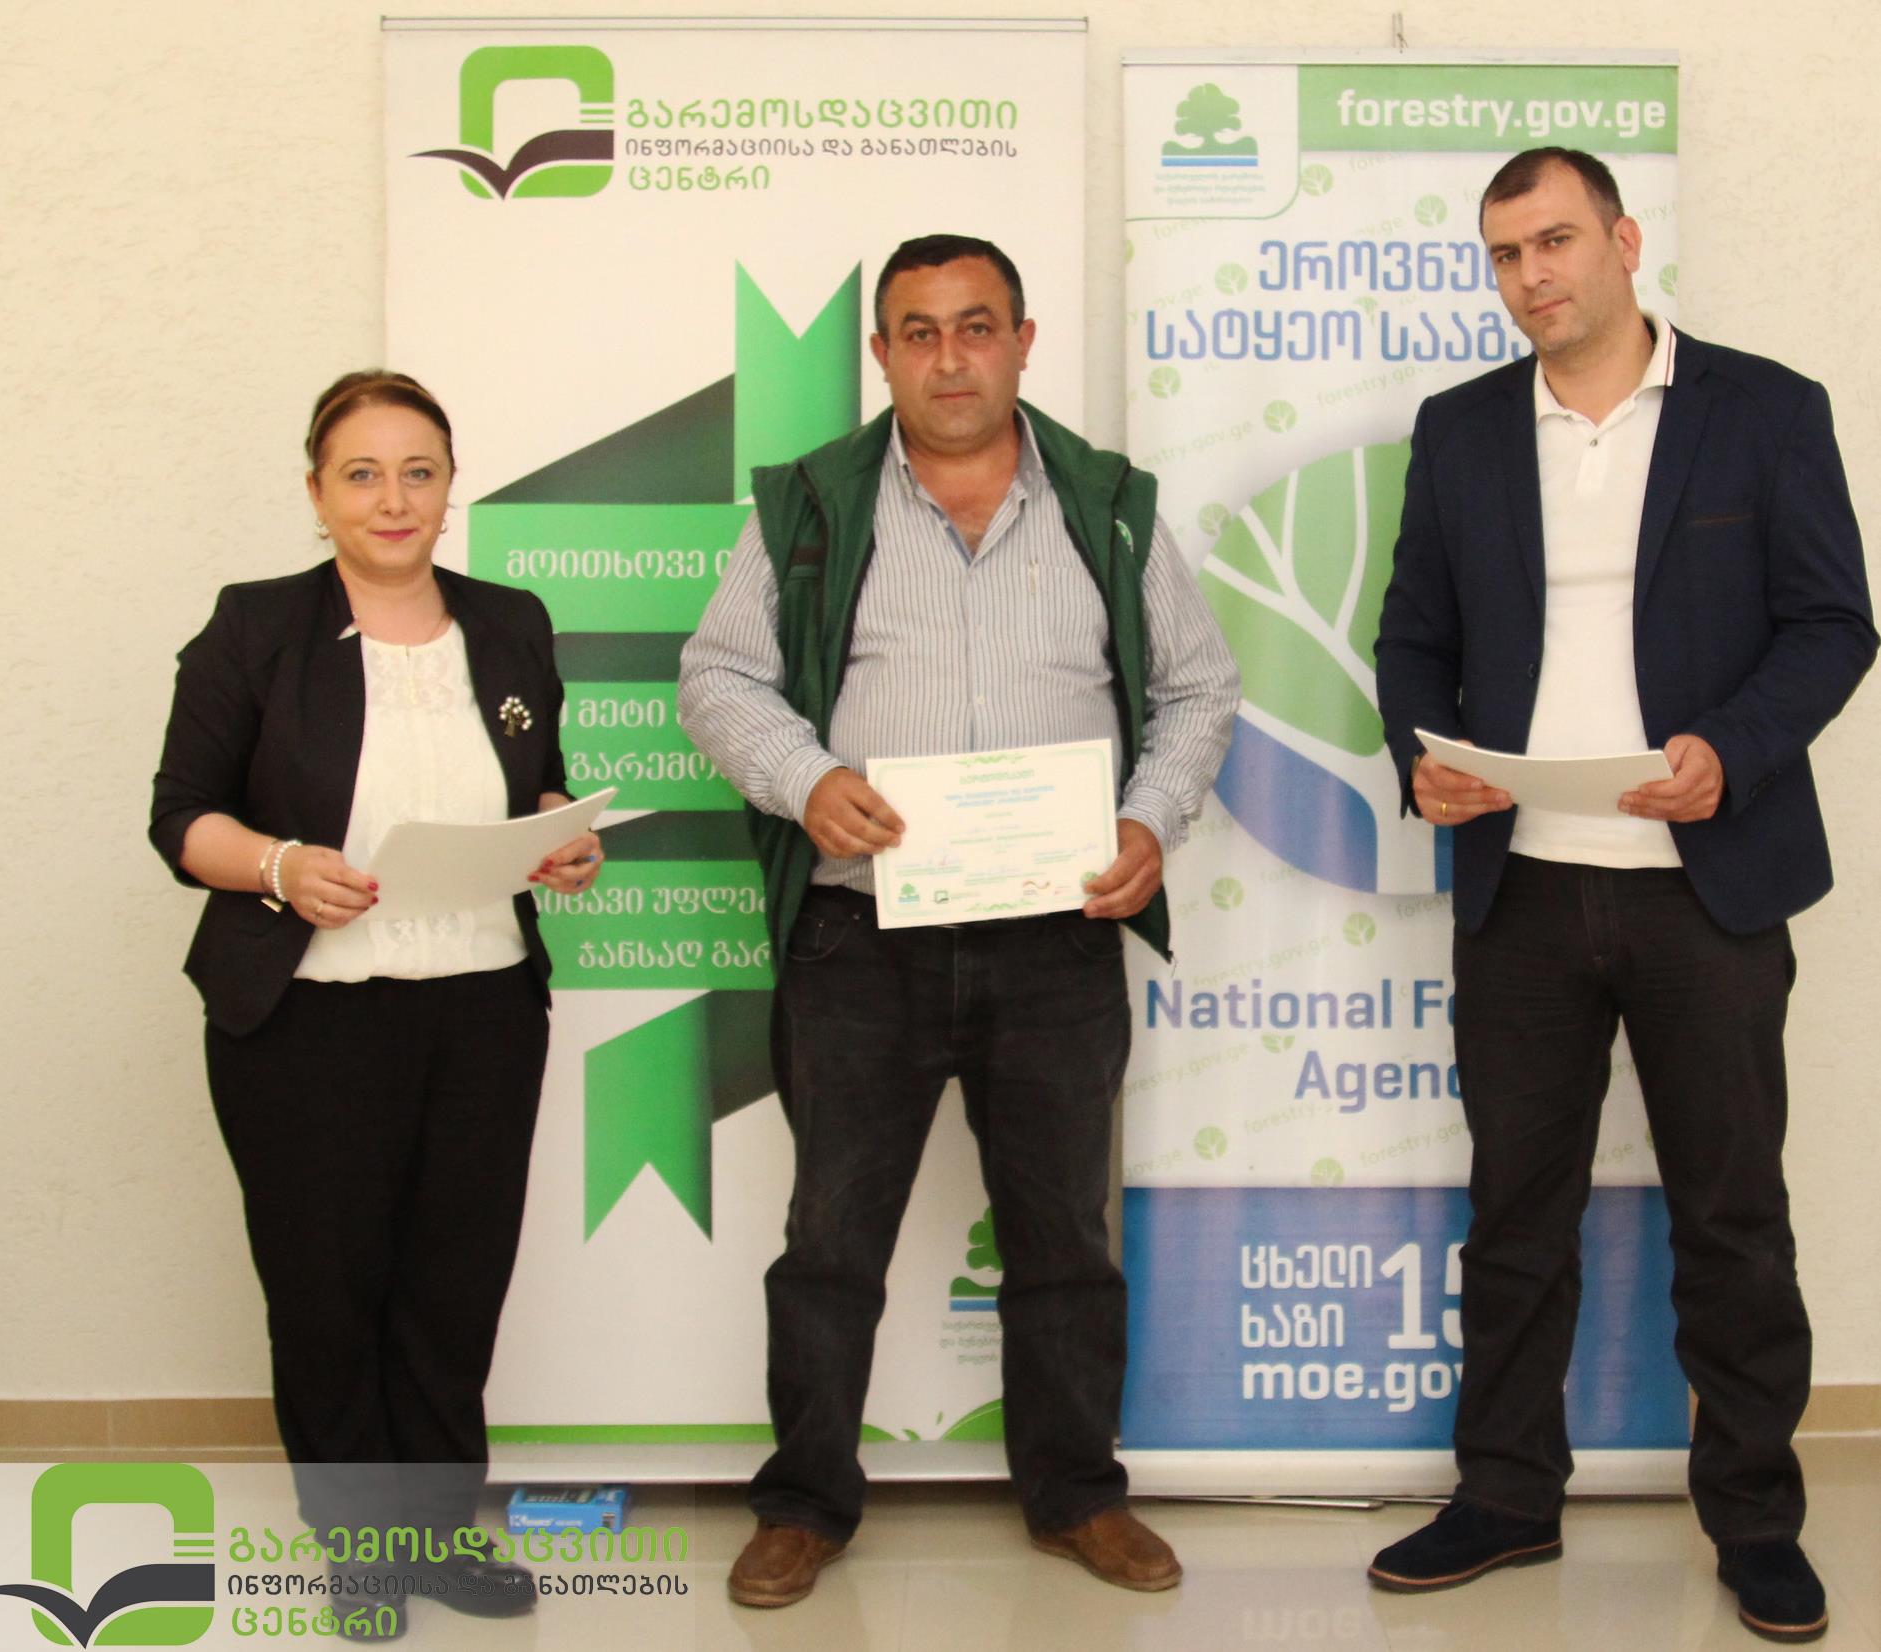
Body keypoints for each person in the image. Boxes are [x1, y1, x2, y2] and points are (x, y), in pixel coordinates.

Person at [677, 234, 1238, 1607]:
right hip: (859, 940)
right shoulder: (810, 508)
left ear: (1022, 342)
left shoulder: (1105, 505)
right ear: (881, 355)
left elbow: (1198, 687)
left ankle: (1077, 1493)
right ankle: (805, 1503)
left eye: (975, 326)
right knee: (830, 1243)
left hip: (1056, 938)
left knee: (1062, 1239)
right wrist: (805, 780)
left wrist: (1147, 822)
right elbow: (719, 675)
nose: (949, 358)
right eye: (918, 332)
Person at [1371, 149, 1874, 1643]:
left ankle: (1756, 1520)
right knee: (1515, 1212)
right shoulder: (1461, 429)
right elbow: (1412, 638)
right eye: (1504, 254)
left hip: (1706, 889)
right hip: (1522, 889)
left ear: (1623, 239)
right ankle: (1506, 1495)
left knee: (1731, 1215)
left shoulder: (1765, 410)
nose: (1531, 275)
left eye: (1555, 241)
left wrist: (1734, 748)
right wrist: (1421, 757)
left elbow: (1832, 624)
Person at [149, 371, 602, 1638]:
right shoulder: (255, 626)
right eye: (362, 472)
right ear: (317, 492)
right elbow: (180, 816)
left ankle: (437, 1533)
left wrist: (559, 839)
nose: (393, 498)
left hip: (482, 1008)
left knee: (454, 1284)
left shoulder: (509, 621)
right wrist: (281, 866)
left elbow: (537, 783)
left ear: (450, 487)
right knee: (328, 1290)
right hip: (309, 1016)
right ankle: (358, 1550)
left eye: (418, 471)